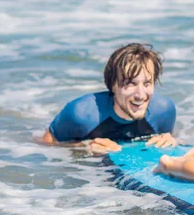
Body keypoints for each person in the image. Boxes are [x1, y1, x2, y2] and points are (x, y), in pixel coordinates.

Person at [40, 43, 177, 155]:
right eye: (130, 84)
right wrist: (83, 147)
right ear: (113, 85)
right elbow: (44, 144)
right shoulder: (81, 114)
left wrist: (169, 141)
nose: (140, 95)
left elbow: (171, 139)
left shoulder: (163, 111)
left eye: (147, 83)